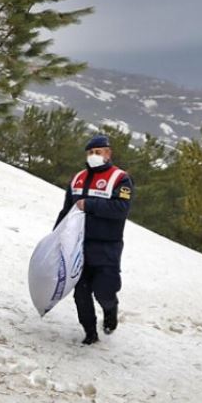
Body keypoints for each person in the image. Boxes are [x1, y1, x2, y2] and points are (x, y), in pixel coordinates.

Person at [54, 135, 133, 345]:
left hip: (107, 246)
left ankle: (110, 310)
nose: (93, 156)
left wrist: (90, 205)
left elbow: (121, 209)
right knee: (80, 292)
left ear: (108, 153)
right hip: (78, 245)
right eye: (90, 153)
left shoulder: (120, 179)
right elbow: (66, 210)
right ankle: (90, 332)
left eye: (98, 152)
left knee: (104, 290)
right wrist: (56, 236)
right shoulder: (78, 178)